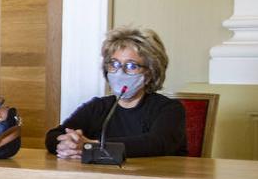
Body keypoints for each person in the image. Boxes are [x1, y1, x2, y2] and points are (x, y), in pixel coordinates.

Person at [46, 26, 187, 159]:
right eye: (114, 64)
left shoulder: (169, 108)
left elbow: (157, 143)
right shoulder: (98, 107)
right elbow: (54, 135)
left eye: (131, 66)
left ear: (149, 73)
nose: (120, 72)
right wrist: (66, 144)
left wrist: (92, 146)